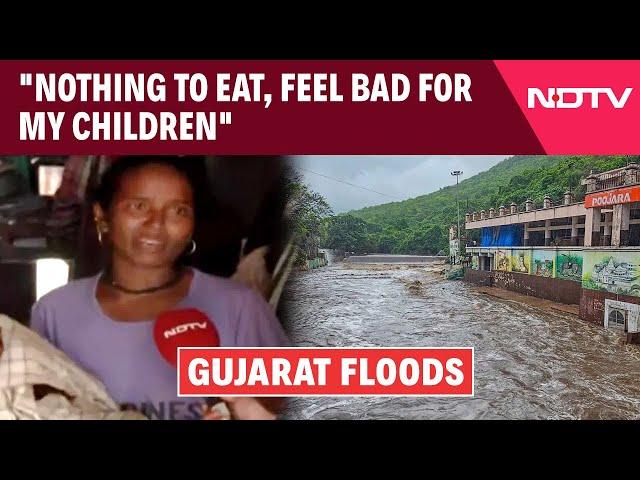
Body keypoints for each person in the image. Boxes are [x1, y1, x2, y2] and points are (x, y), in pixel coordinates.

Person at [30, 156, 290, 420]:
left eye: (178, 210)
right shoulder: (54, 313)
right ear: (102, 216)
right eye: (139, 206)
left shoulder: (240, 307)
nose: (156, 223)